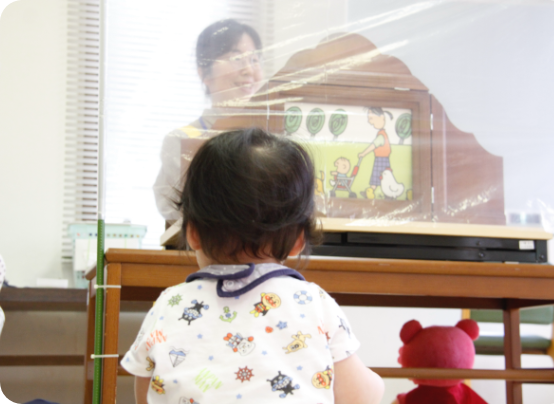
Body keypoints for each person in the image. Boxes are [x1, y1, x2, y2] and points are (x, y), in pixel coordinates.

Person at [122, 129, 385, 404]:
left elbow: (147, 394)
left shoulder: (169, 304)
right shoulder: (314, 302)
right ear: (298, 240)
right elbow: (359, 397)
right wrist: (375, 384)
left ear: (192, 233)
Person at [153, 19, 264, 221]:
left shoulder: (274, 139)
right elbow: (171, 207)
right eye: (236, 58)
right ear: (204, 73)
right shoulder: (182, 140)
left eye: (254, 59)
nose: (249, 69)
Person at [359, 107, 393, 199]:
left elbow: (373, 145)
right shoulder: (381, 134)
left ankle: (388, 193)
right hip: (380, 158)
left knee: (383, 177)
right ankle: (371, 191)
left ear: (381, 117)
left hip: (382, 159)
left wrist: (363, 153)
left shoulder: (381, 135)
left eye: (371, 118)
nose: (370, 122)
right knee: (377, 176)